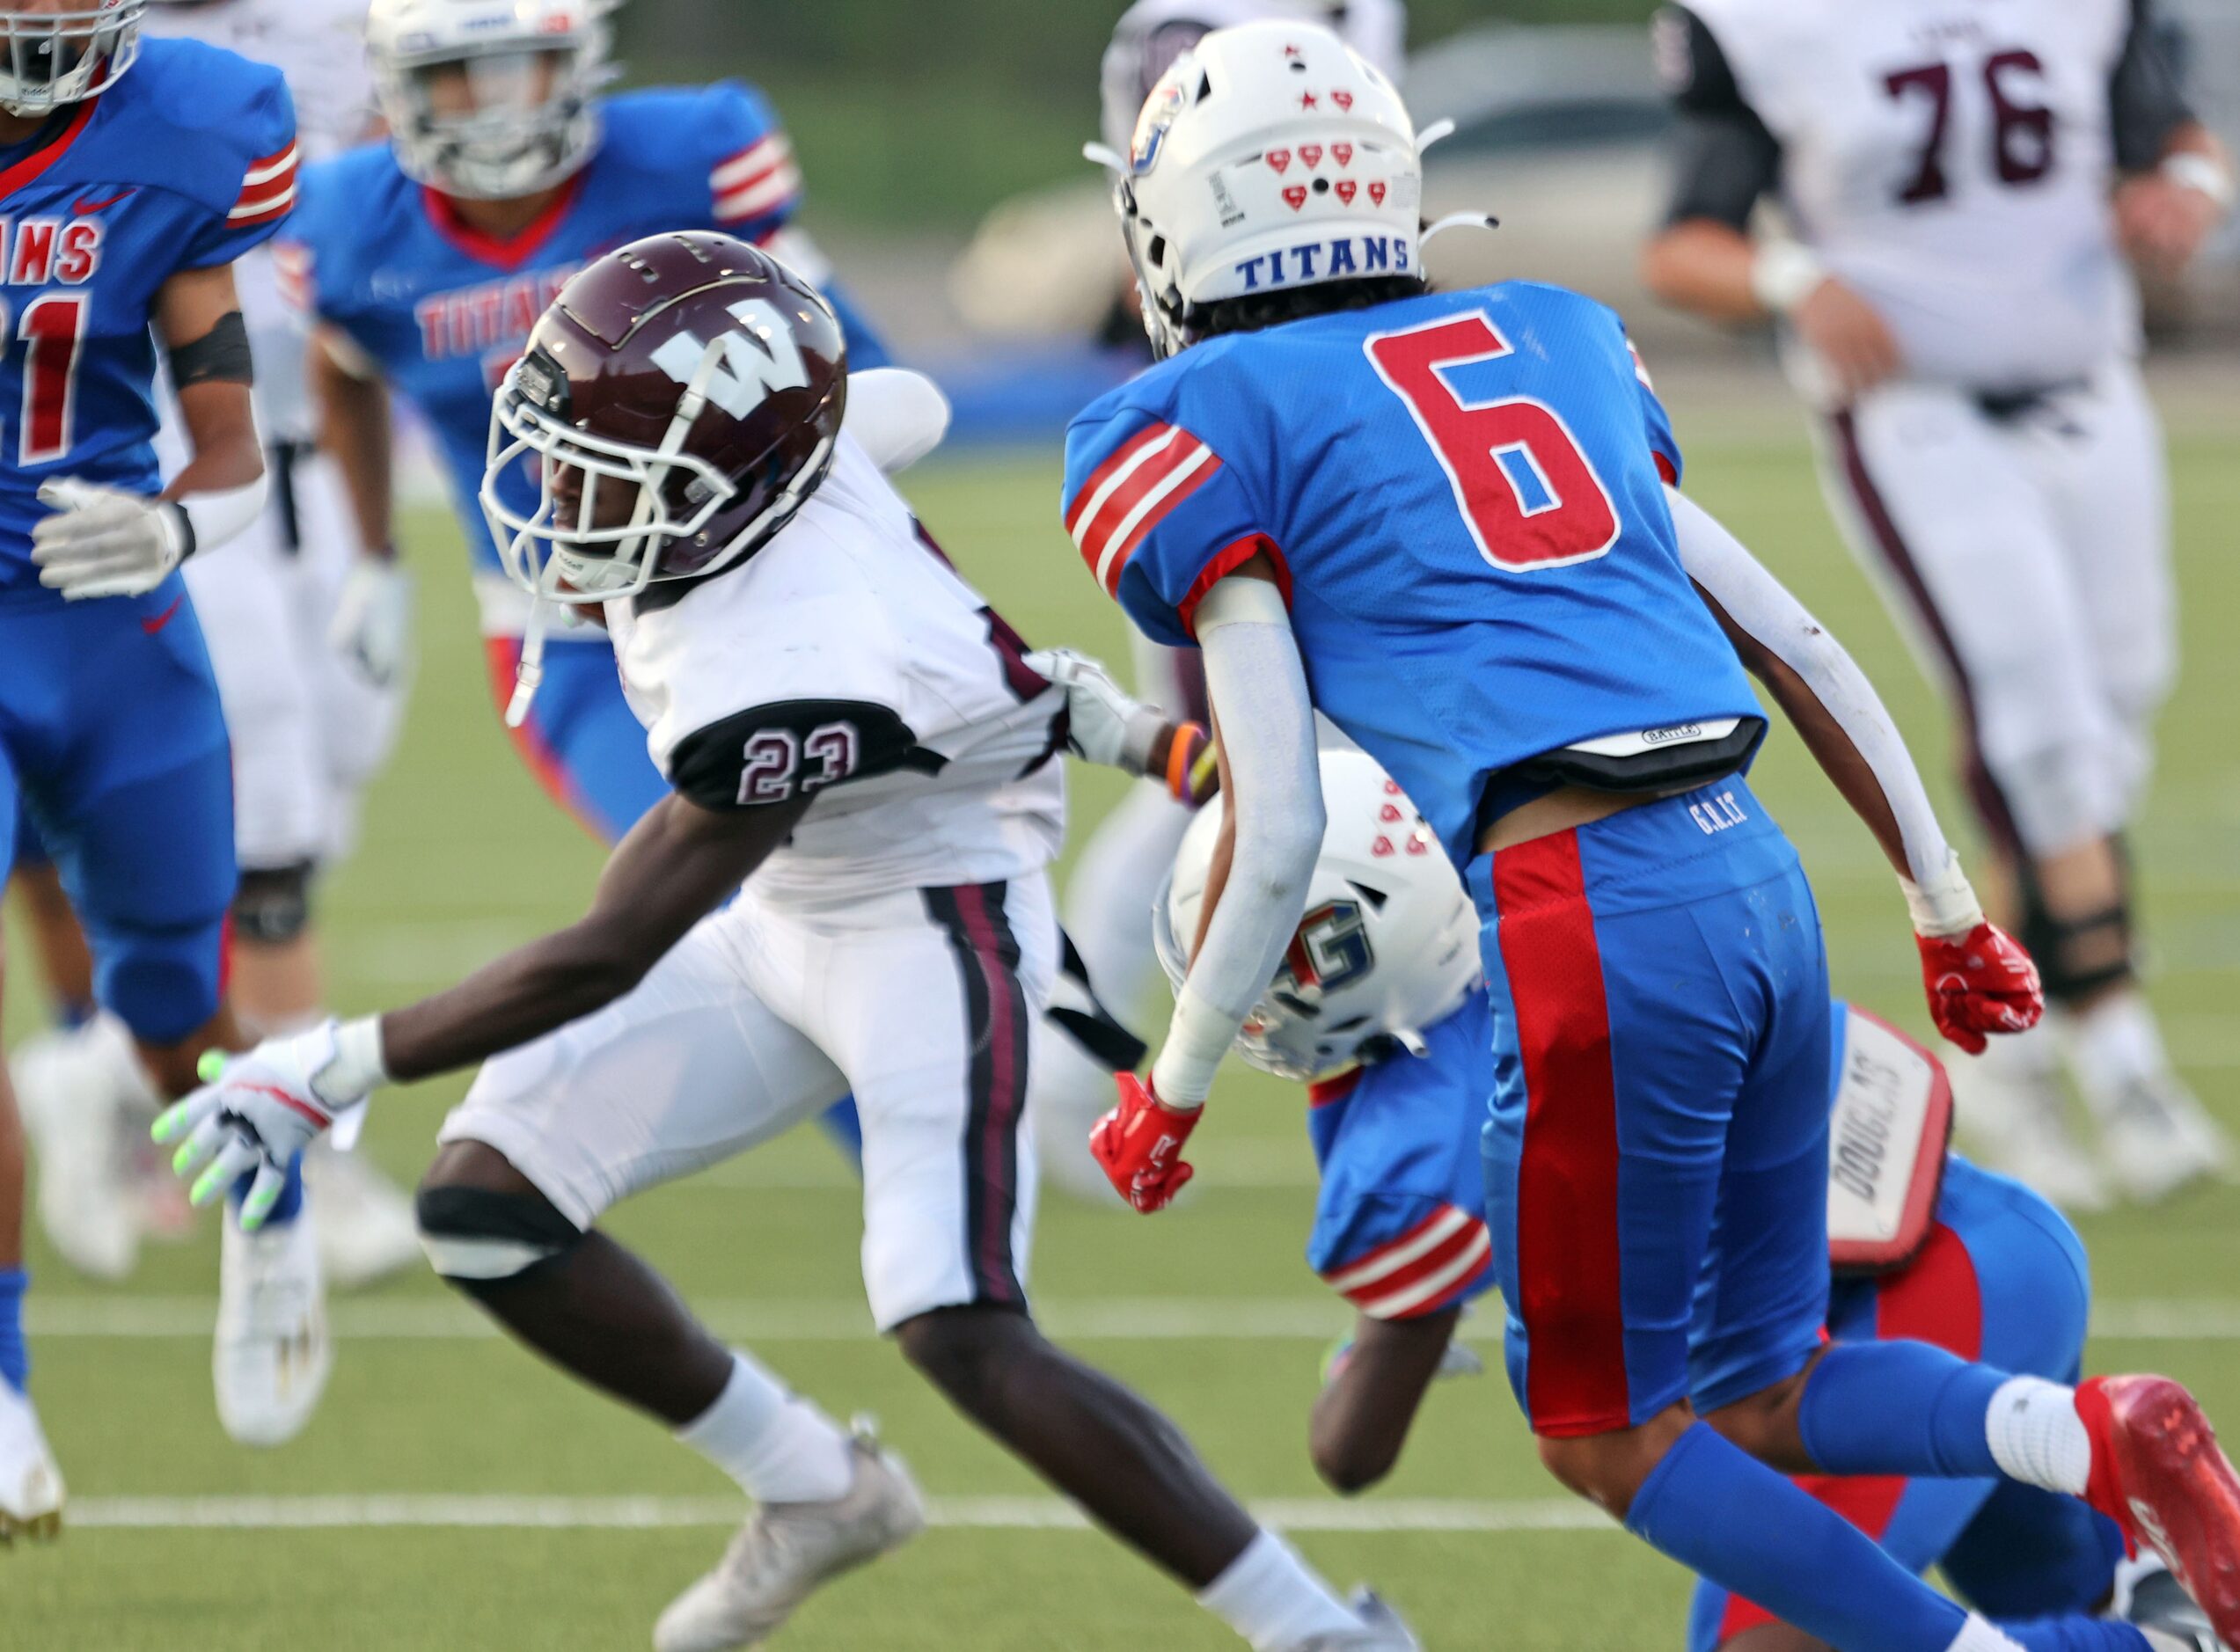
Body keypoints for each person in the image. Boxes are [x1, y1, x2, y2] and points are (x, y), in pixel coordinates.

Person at [1064, 21, 2240, 1652]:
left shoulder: (1195, 413)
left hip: (1582, 909)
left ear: (1185, 214)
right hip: (1753, 869)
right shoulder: (1548, 336)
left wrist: (1167, 1090)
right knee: (1761, 1386)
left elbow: (1271, 824)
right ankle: (2087, 1430)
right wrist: (1949, 903)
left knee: (1602, 1432)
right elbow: (1801, 645)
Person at [155, 232, 1419, 1652]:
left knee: (958, 1323)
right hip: (791, 912)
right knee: (488, 1202)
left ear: (734, 490)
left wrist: (330, 1065)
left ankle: (1319, 1628)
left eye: (605, 469)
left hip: (927, 924)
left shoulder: (787, 663)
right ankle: (815, 1486)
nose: (562, 495)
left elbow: (608, 948)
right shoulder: (799, 471)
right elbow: (937, 537)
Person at [1145, 745, 2217, 1652]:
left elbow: (1350, 1450)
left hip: (1892, 1310)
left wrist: (1380, 1334)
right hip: (1987, 1250)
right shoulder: (1546, 892)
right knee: (2074, 1593)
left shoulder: (1424, 1115)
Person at [1639, 0, 2235, 1209]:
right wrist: (1794, 277)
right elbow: (1681, 245)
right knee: (2037, 721)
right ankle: (2118, 1052)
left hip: (2088, 383)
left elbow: (2172, 135)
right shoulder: (1769, 24)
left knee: (2107, 718)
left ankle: (2007, 1055)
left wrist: (2185, 190)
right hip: (1918, 411)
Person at [10, 0, 421, 1345]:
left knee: (303, 828)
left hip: (259, 486)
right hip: (141, 516)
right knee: (272, 845)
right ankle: (282, 1144)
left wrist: (372, 550)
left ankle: (121, 1076)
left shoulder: (217, 100)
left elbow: (298, 345)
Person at [0, 0, 298, 1531]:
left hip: (110, 618)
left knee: (176, 1009)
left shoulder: (183, 132)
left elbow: (234, 447)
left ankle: (269, 1209)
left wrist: (177, 522)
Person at [1036, 0, 1412, 1204]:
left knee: (1316, 773)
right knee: (1220, 772)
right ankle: (1060, 1067)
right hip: (1242, 401)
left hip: (1336, 393)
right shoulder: (1192, 26)